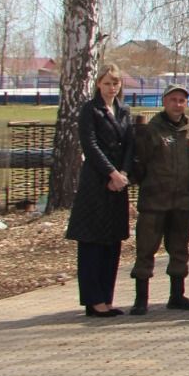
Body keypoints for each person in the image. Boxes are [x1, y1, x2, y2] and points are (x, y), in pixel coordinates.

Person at [128, 85, 189, 314]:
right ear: (164, 101)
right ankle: (141, 298)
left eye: (182, 100)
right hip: (154, 201)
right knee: (146, 249)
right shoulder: (151, 130)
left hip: (182, 201)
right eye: (173, 100)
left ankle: (177, 295)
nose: (177, 104)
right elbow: (139, 163)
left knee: (179, 249)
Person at [68, 64, 134, 317]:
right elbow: (90, 145)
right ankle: (93, 300)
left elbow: (130, 146)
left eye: (115, 83)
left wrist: (124, 173)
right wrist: (111, 173)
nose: (111, 87)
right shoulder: (90, 110)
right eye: (107, 83)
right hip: (97, 182)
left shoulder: (123, 111)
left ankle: (107, 296)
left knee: (112, 242)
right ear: (98, 84)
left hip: (118, 185)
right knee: (92, 242)